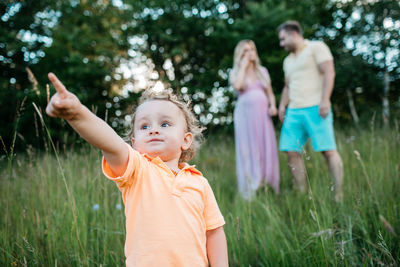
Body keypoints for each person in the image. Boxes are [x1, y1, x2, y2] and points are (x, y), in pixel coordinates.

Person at [45, 73, 228, 267]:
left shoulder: (199, 182)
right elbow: (110, 143)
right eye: (144, 126)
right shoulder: (137, 170)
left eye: (165, 124)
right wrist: (77, 114)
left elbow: (214, 232)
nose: (153, 130)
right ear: (133, 143)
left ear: (186, 140)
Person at [277, 21, 344, 201]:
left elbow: (329, 72)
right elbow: (287, 86)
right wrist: (282, 106)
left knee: (328, 151)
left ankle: (338, 193)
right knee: (291, 151)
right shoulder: (288, 60)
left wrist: (325, 100)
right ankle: (301, 193)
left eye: (283, 39)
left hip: (316, 107)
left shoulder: (316, 47)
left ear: (293, 34)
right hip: (293, 111)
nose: (281, 44)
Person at [229, 40, 280, 199]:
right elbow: (237, 86)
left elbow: (270, 92)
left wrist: (273, 105)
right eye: (245, 50)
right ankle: (251, 186)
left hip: (263, 116)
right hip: (245, 117)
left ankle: (269, 184)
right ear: (240, 54)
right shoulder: (235, 72)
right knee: (248, 147)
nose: (249, 53)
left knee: (266, 146)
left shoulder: (262, 71)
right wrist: (243, 66)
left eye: (251, 49)